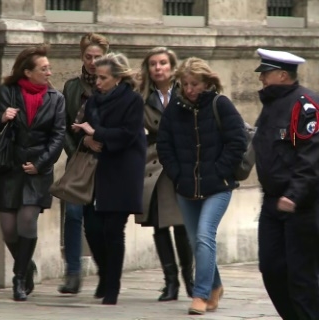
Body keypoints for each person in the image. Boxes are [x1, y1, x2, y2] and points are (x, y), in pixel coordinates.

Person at [0, 44, 65, 302]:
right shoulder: (8, 93)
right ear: (27, 72)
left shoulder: (56, 98)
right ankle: (27, 265)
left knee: (27, 220)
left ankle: (18, 278)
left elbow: (58, 136)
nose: (49, 72)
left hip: (37, 170)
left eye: (49, 68)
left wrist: (42, 163)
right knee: (8, 229)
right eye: (43, 68)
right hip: (8, 167)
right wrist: (1, 116)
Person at [157, 57, 246, 315]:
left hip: (218, 187)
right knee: (197, 240)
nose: (189, 89)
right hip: (185, 187)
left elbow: (237, 141)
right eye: (184, 84)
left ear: (206, 83)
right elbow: (165, 145)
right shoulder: (174, 109)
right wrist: (177, 174)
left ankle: (200, 294)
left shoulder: (221, 104)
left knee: (205, 235)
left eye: (194, 84)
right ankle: (215, 286)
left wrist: (218, 171)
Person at [72, 52, 146, 305]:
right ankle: (105, 273)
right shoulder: (93, 101)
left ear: (117, 78)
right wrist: (86, 138)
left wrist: (97, 133)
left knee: (114, 231)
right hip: (96, 171)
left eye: (103, 78)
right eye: (96, 78)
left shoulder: (133, 100)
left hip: (123, 172)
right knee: (92, 229)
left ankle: (112, 286)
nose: (98, 82)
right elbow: (83, 130)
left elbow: (128, 134)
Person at [252, 48, 319, 320]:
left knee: (301, 278)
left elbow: (312, 154)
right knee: (271, 269)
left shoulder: (305, 104)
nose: (261, 80)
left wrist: (294, 194)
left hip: (301, 206)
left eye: (265, 74)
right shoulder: (270, 106)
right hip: (272, 203)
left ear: (282, 75)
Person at [135, 47, 194, 301]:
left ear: (172, 67)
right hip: (154, 164)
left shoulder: (187, 90)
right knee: (158, 224)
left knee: (182, 224)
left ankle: (189, 280)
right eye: (153, 64)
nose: (158, 68)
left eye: (163, 63)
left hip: (183, 162)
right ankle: (170, 283)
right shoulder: (142, 97)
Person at [58, 32, 109, 295]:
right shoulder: (71, 87)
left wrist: (98, 141)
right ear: (81, 57)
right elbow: (64, 128)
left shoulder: (114, 87)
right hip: (78, 161)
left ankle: (104, 272)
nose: (92, 62)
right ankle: (73, 274)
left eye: (97, 57)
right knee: (74, 214)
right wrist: (79, 147)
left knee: (95, 220)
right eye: (88, 57)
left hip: (104, 162)